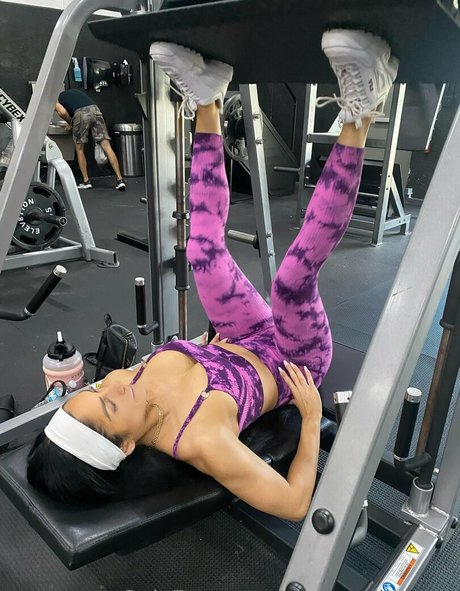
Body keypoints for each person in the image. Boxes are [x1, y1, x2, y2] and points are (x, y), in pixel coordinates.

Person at [28, 30, 398, 520]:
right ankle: (363, 112)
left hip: (239, 337)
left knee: (201, 249)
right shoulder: (200, 440)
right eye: (110, 405)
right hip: (296, 361)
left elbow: (178, 369)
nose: (112, 382)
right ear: (129, 444)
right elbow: (293, 505)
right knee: (290, 282)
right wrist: (311, 419)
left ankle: (208, 98)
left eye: (94, 390)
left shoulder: (127, 388)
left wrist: (205, 347)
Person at [55, 88, 127, 191]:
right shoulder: (73, 93)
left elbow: (62, 112)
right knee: (107, 146)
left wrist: (70, 123)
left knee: (79, 150)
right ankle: (120, 180)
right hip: (95, 110)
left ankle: (86, 181)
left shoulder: (55, 99)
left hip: (80, 114)